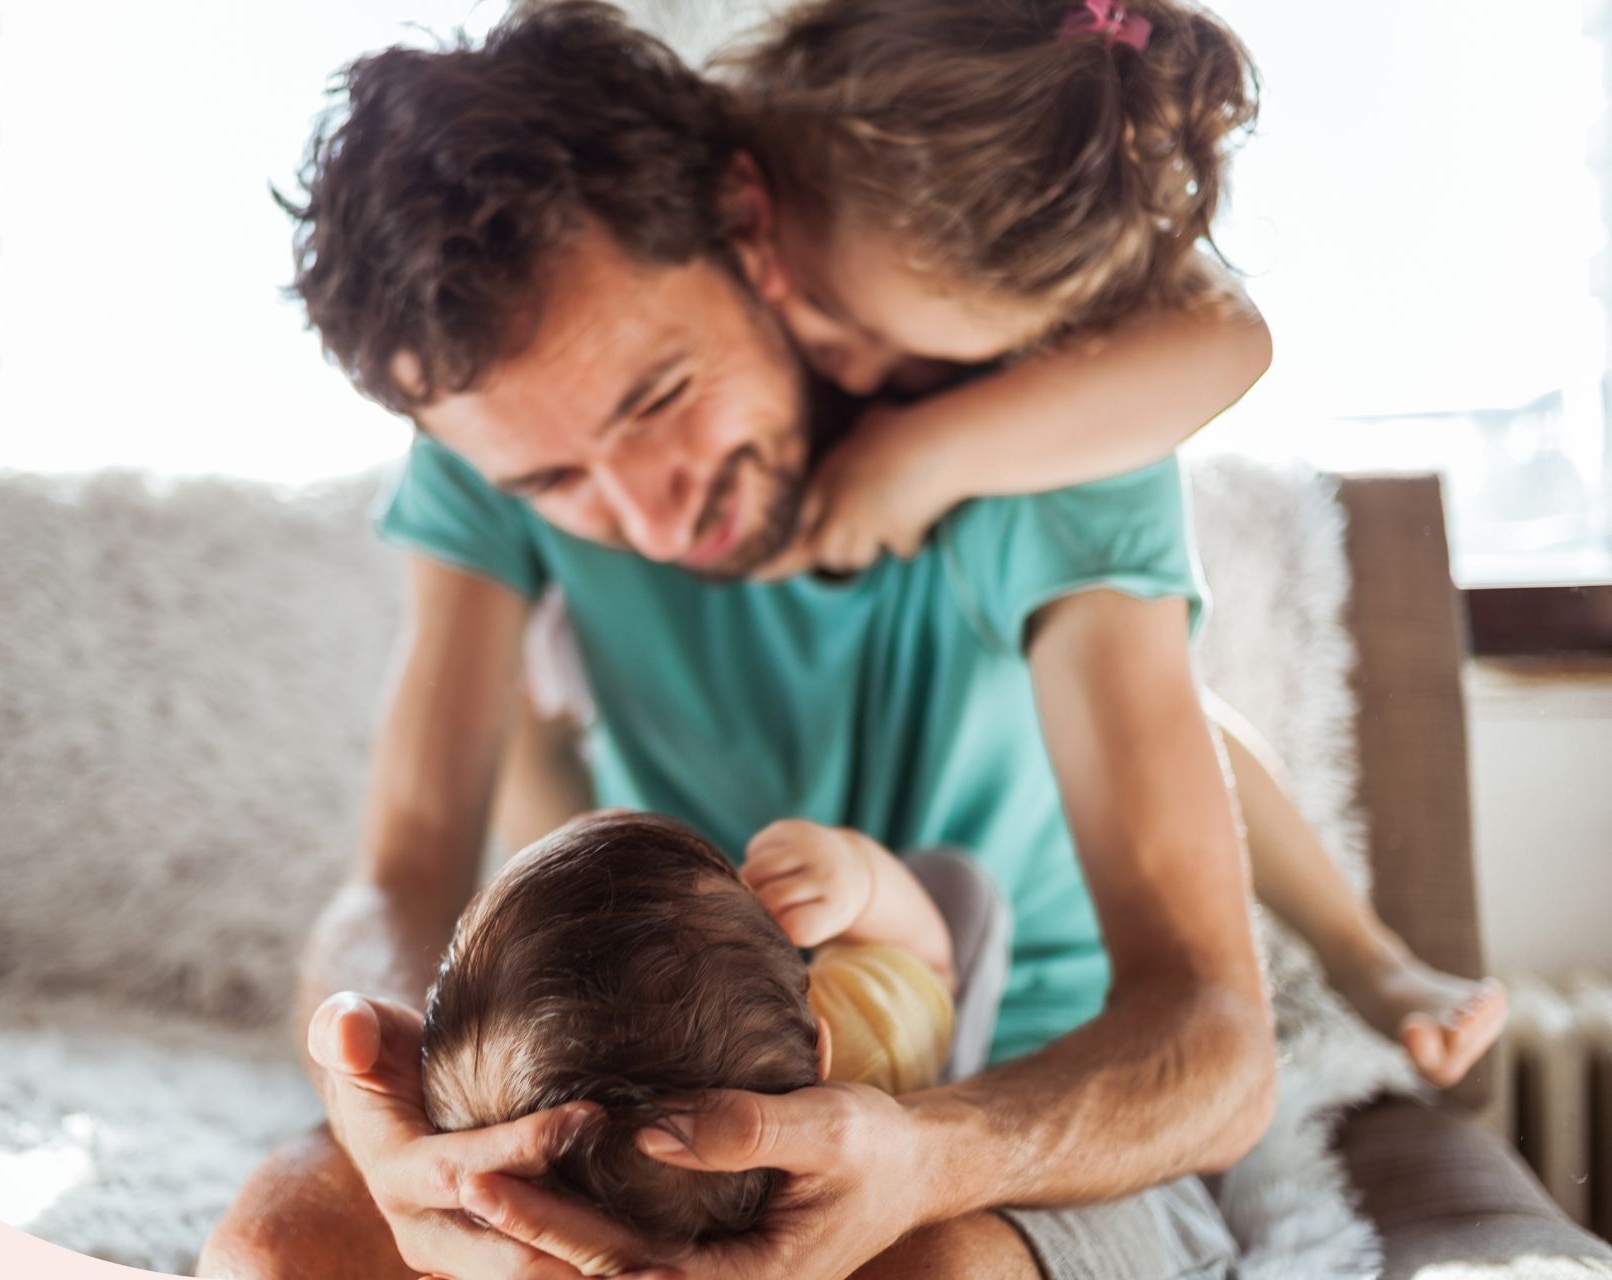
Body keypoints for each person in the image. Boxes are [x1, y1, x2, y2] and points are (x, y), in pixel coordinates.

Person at [202, 5, 1273, 1277]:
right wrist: (369, 1073)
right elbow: (400, 875)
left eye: (661, 396)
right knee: (285, 1243)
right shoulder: (482, 441)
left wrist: (925, 1152)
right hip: (638, 1083)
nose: (652, 515)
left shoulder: (1045, 426)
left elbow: (1217, 1041)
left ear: (745, 232)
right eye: (554, 478)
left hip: (1021, 1093)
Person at [500, 0, 1505, 1089]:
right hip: (765, 940)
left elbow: (1233, 341)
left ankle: (1369, 951)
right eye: (835, 316)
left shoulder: (1015, 347)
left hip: (1010, 924)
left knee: (1146, 689)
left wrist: (924, 454)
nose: (863, 376)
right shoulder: (766, 150)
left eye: (926, 363)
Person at [422, 810, 1010, 1262]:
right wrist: (860, 878)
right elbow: (932, 961)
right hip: (904, 1106)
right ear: (820, 1054)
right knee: (957, 888)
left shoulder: (502, 1191)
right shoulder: (870, 1049)